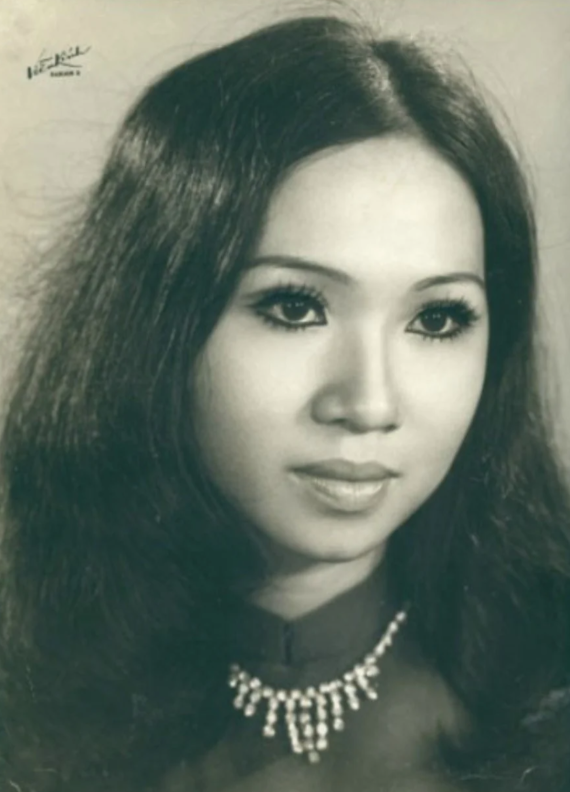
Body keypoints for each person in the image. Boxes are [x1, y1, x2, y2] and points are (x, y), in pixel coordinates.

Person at [0, 14, 569, 792]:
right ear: (156, 325)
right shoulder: (26, 697)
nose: (368, 403)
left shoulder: (549, 701)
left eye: (437, 319)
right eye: (296, 307)